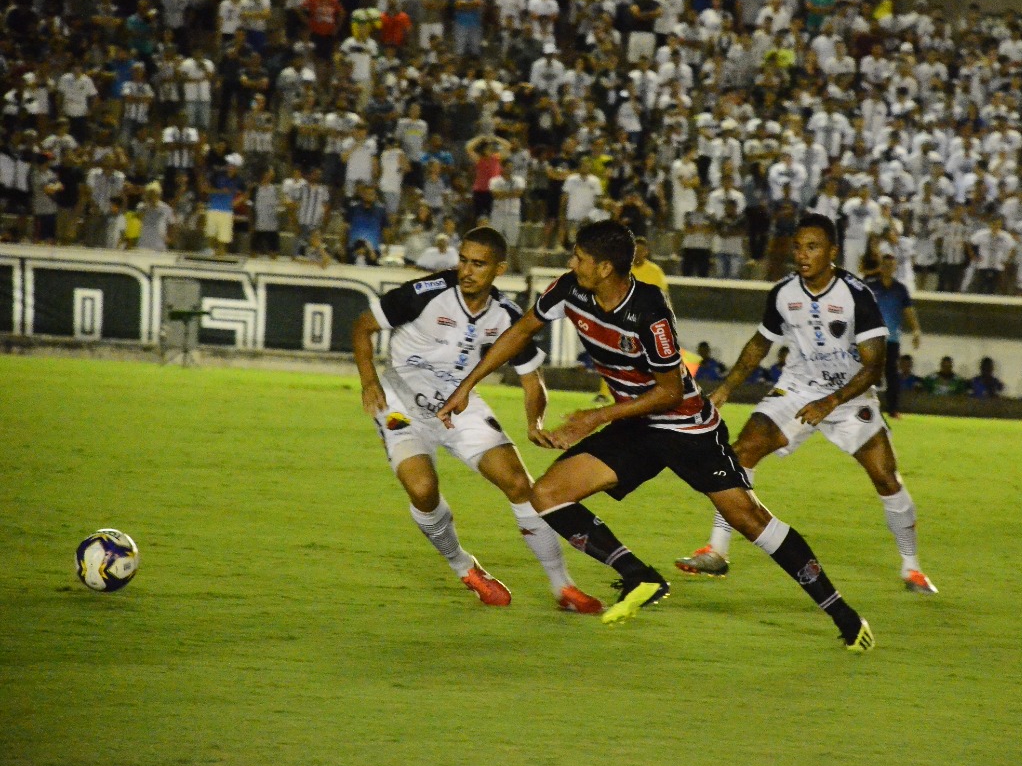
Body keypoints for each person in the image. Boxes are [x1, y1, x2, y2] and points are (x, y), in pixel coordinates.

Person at [437, 219, 874, 650]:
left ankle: (844, 615)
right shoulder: (568, 288)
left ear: (605, 268)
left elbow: (669, 392)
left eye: (581, 258)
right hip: (634, 423)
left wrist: (597, 417)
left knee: (750, 520)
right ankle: (639, 576)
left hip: (687, 426)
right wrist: (466, 385)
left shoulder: (649, 310)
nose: (573, 264)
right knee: (548, 494)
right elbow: (520, 332)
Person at [673, 213, 936, 596]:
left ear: (832, 252)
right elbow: (760, 343)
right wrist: (726, 389)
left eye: (812, 247)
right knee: (741, 452)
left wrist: (830, 402)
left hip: (849, 397)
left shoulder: (857, 295)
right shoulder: (783, 292)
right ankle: (717, 550)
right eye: (797, 247)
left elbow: (874, 366)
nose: (802, 254)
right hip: (797, 389)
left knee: (885, 478)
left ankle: (912, 568)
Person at [351, 227, 601, 614]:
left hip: (458, 406)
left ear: (499, 269)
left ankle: (563, 587)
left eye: (478, 264)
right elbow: (362, 327)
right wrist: (369, 383)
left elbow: (532, 379)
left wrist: (535, 424)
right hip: (400, 405)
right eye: (463, 260)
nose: (466, 270)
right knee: (421, 489)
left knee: (520, 484)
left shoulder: (507, 316)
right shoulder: (425, 294)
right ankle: (465, 568)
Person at [866, 251, 922, 418]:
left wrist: (916, 330)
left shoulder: (900, 289)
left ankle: (893, 409)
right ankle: (865, 409)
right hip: (872, 338)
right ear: (880, 267)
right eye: (885, 265)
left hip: (892, 339)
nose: (887, 268)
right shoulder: (870, 287)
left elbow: (909, 311)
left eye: (891, 266)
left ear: (895, 268)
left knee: (892, 374)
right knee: (869, 374)